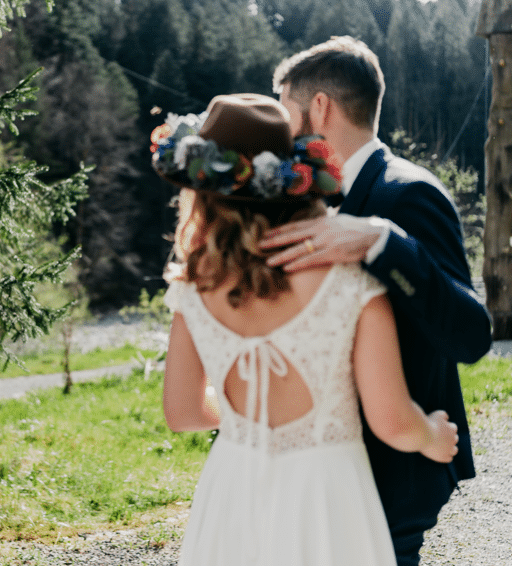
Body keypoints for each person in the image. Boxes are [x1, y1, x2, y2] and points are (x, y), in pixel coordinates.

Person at [152, 93, 459, 566]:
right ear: (296, 181)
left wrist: (246, 418)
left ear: (202, 195)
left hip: (233, 486)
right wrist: (433, 435)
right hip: (326, 492)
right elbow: (393, 421)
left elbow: (183, 412)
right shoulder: (350, 284)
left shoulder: (195, 287)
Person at [262, 36, 493, 565]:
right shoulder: (297, 195)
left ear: (320, 107)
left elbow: (470, 335)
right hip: (310, 468)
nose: (279, 128)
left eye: (285, 110)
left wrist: (384, 242)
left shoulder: (409, 194)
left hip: (389, 475)